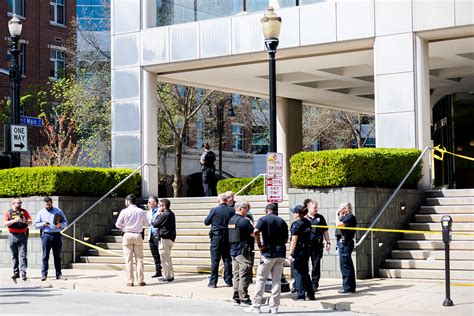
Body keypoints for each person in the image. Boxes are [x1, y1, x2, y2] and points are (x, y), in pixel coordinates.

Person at [245, 203, 288, 314]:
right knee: (276, 281)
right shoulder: (282, 221)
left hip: (268, 253)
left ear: (266, 210)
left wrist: (259, 244)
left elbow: (255, 232)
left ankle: (256, 305)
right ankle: (274, 307)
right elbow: (285, 239)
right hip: (280, 253)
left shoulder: (263, 220)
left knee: (261, 279)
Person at [115, 194, 149, 287]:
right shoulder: (141, 211)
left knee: (128, 259)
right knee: (140, 259)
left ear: (128, 201)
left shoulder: (124, 211)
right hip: (137, 234)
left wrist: (124, 227)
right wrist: (139, 226)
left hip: (127, 234)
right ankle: (140, 280)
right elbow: (146, 224)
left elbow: (117, 224)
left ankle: (130, 281)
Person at [204, 193, 235, 288]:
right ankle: (228, 281)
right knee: (227, 259)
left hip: (216, 237)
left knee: (215, 260)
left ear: (219, 200)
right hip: (228, 237)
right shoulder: (231, 210)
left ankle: (213, 282)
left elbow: (206, 222)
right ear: (226, 200)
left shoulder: (214, 210)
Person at [34, 196, 68, 281]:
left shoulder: (58, 211)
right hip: (46, 235)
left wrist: (61, 225)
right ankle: (44, 275)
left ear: (52, 203)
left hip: (56, 235)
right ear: (44, 204)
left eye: (49, 204)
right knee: (45, 256)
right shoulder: (41, 212)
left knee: (57, 256)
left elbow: (65, 222)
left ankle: (59, 274)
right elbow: (36, 225)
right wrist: (43, 224)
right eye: (46, 205)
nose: (48, 206)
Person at [229, 201, 255, 307]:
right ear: (241, 209)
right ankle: (244, 297)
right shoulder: (244, 221)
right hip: (242, 250)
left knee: (236, 274)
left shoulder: (231, 220)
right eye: (246, 208)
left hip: (233, 250)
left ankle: (236, 296)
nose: (247, 210)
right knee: (245, 272)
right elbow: (254, 233)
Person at [289, 205, 315, 301]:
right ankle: (311, 294)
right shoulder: (307, 222)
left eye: (294, 212)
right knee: (305, 273)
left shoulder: (296, 224)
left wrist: (290, 253)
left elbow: (294, 240)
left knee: (298, 273)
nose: (293, 214)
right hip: (306, 250)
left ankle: (300, 295)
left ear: (297, 213)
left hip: (298, 251)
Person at [3, 198, 32, 282]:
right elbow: (5, 223)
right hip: (12, 235)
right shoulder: (9, 212)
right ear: (13, 203)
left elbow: (30, 221)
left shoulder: (24, 211)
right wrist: (14, 220)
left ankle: (23, 273)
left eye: (20, 203)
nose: (20, 204)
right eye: (18, 203)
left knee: (23, 255)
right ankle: (16, 272)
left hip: (23, 235)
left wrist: (25, 221)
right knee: (14, 255)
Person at [305, 198, 330, 292]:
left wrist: (328, 242)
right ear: (309, 208)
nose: (316, 209)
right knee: (304, 264)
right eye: (314, 208)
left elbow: (325, 231)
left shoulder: (320, 217)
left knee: (316, 265)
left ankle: (314, 283)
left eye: (317, 208)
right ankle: (303, 283)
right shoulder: (304, 218)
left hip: (317, 244)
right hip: (306, 245)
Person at [335, 202, 357, 294]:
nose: (339, 209)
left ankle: (347, 287)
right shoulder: (344, 217)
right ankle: (350, 286)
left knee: (345, 265)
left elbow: (338, 225)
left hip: (345, 242)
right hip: (342, 242)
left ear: (345, 209)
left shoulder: (350, 217)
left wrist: (336, 214)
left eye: (341, 208)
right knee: (347, 264)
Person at [152, 198, 176, 282]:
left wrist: (158, 214)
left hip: (164, 239)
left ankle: (167, 276)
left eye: (160, 205)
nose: (159, 207)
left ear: (164, 206)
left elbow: (155, 224)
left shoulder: (163, 215)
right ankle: (170, 274)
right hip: (171, 238)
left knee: (164, 258)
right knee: (168, 257)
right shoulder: (171, 214)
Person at [147, 196, 162, 278]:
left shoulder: (160, 211)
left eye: (150, 202)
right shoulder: (149, 212)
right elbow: (148, 222)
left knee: (161, 254)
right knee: (155, 254)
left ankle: (166, 270)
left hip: (158, 235)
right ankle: (158, 270)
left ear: (155, 203)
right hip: (151, 235)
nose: (148, 204)